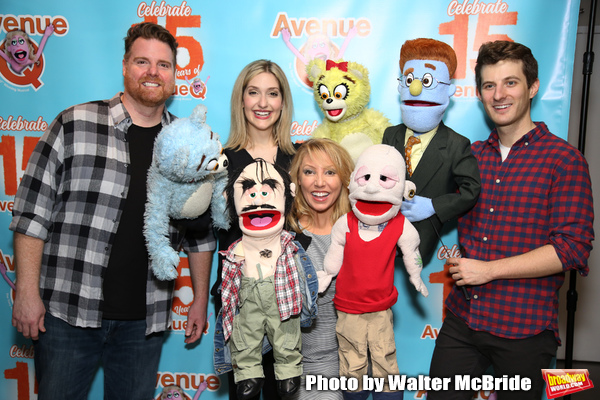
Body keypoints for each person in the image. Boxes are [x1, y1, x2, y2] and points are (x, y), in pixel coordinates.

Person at [9, 22, 215, 399]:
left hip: (144, 321)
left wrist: (199, 299)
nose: (153, 72)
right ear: (124, 66)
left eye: (164, 65)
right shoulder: (74, 124)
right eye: (142, 61)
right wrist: (25, 291)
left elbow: (199, 233)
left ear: (174, 75)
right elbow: (31, 214)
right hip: (67, 314)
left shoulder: (190, 145)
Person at [428, 40, 594, 400]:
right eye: (489, 85)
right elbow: (428, 205)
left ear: (532, 87)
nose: (498, 94)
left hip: (525, 329)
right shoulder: (469, 156)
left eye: (510, 83)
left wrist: (488, 270)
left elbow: (572, 249)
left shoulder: (564, 160)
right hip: (463, 320)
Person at [213, 59, 298, 400]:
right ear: (241, 99)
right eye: (253, 93)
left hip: (286, 296)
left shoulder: (300, 158)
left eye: (272, 93)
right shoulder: (221, 160)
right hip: (240, 296)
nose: (263, 103)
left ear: (283, 101)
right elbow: (208, 233)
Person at [382, 38, 480, 265]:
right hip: (381, 236)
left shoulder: (457, 144)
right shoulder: (390, 135)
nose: (415, 88)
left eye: (427, 81)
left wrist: (434, 206)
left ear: (449, 90)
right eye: (409, 80)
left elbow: (471, 190)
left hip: (420, 242)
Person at [287, 138, 354, 400]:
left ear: (345, 179)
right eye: (309, 171)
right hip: (303, 367)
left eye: (330, 172)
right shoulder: (284, 235)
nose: (319, 182)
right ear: (297, 180)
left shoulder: (360, 232)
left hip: (354, 364)